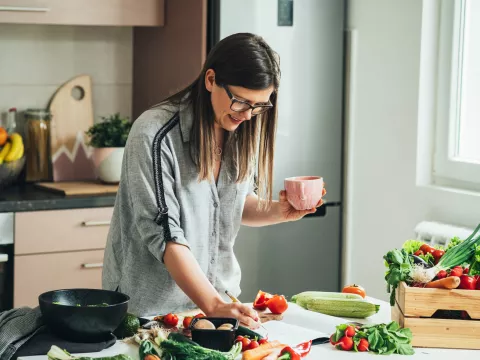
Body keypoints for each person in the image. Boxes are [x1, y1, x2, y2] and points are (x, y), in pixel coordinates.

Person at [102, 33, 326, 328]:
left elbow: (232, 205)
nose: (248, 115)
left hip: (218, 308)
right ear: (211, 80)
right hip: (151, 314)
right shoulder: (154, 134)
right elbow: (164, 234)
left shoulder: (242, 128)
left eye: (259, 106)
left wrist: (278, 211)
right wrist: (214, 305)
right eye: (241, 102)